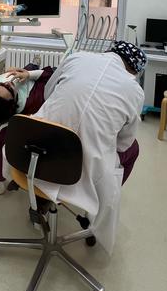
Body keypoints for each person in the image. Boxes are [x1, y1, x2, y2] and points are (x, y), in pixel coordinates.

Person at [32, 41, 147, 255]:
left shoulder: (77, 58)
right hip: (82, 170)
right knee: (133, 150)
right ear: (134, 70)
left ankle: (41, 200)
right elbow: (124, 143)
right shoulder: (134, 90)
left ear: (110, 51)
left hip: (37, 155)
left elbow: (48, 94)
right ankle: (99, 204)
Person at [0, 65, 54, 194]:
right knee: (7, 137)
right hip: (35, 112)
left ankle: (0, 174)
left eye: (1, 84)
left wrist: (26, 73)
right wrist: (30, 74)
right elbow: (50, 76)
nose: (8, 82)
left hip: (44, 115)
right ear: (13, 102)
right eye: (9, 88)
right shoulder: (33, 100)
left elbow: (50, 75)